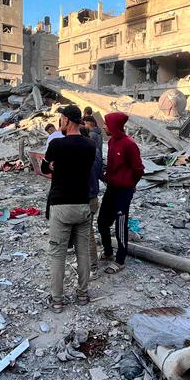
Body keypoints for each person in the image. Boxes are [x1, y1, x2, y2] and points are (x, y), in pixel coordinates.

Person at [41, 105, 96, 311]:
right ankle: (82, 294)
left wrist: (55, 166)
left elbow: (45, 167)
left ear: (66, 120)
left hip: (60, 205)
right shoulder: (90, 145)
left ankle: (57, 300)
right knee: (83, 253)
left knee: (57, 254)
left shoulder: (56, 144)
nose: (60, 122)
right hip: (82, 204)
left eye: (61, 118)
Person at [98, 112, 144, 274]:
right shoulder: (111, 142)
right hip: (111, 188)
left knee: (120, 224)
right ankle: (108, 251)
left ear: (114, 126)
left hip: (123, 191)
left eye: (106, 123)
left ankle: (120, 259)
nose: (103, 126)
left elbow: (138, 169)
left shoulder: (129, 145)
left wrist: (131, 184)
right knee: (102, 221)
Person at [83, 116, 104, 272]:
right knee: (87, 231)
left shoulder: (81, 152)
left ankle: (92, 265)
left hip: (85, 198)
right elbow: (100, 172)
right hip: (93, 197)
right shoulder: (96, 150)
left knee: (86, 233)